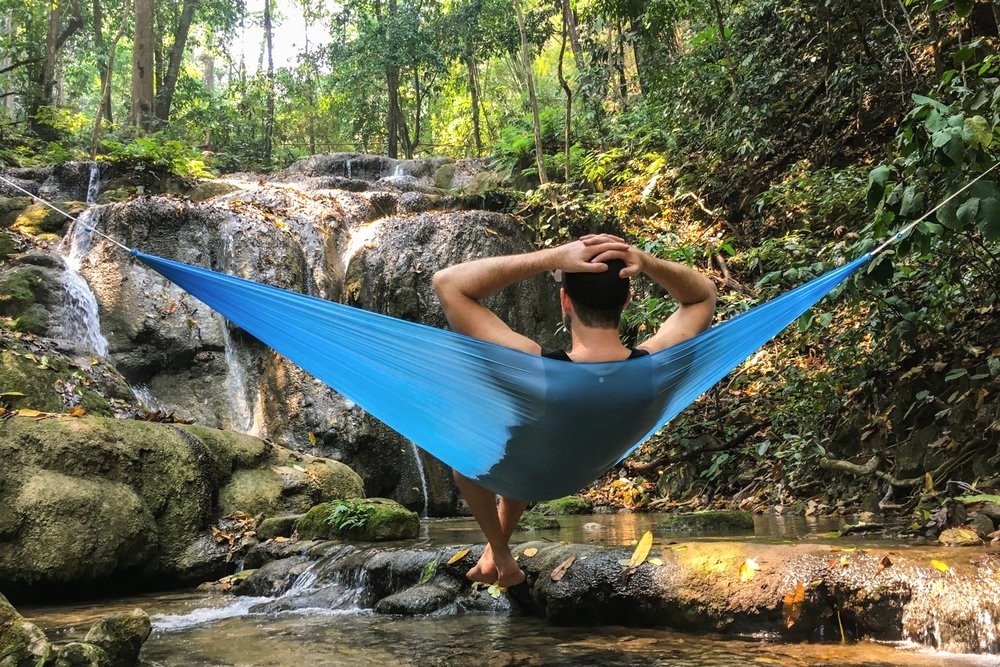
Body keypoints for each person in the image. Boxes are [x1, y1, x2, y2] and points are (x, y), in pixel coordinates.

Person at [432, 233, 717, 588]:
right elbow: (703, 295)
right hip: (580, 473)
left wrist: (550, 255)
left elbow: (448, 283)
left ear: (564, 301)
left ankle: (502, 557)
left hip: (530, 472)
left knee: (466, 458)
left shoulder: (536, 370)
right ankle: (495, 557)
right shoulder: (655, 367)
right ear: (628, 299)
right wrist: (646, 260)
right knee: (525, 437)